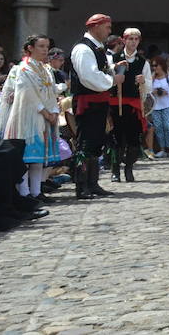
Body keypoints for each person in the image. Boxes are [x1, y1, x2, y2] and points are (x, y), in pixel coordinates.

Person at [0, 35, 61, 204]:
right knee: (26, 157)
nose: (45, 49)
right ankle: (24, 193)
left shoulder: (46, 69)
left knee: (38, 157)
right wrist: (44, 111)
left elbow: (51, 91)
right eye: (41, 46)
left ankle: (36, 191)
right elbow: (26, 94)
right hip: (26, 117)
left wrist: (53, 111)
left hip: (45, 116)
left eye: (47, 46)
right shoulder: (22, 69)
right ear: (30, 48)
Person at [69, 13, 117, 199]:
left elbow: (98, 72)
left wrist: (112, 70)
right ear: (95, 27)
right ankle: (82, 186)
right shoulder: (83, 48)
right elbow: (89, 77)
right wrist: (113, 80)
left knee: (96, 143)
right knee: (85, 143)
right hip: (87, 102)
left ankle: (93, 183)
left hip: (98, 102)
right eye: (107, 27)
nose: (109, 31)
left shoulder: (97, 48)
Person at [108, 27, 150, 183]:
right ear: (123, 40)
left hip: (133, 105)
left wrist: (143, 81)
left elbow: (149, 85)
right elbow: (105, 76)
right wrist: (115, 70)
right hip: (116, 103)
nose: (133, 42)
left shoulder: (142, 62)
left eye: (136, 39)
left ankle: (128, 168)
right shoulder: (114, 58)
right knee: (116, 139)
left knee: (133, 140)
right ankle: (115, 170)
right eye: (130, 39)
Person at [145, 58, 169, 158]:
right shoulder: (152, 78)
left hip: (168, 105)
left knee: (168, 126)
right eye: (153, 66)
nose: (155, 68)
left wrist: (167, 92)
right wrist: (153, 91)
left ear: (162, 65)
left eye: (156, 65)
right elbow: (147, 90)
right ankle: (162, 149)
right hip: (156, 106)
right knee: (158, 128)